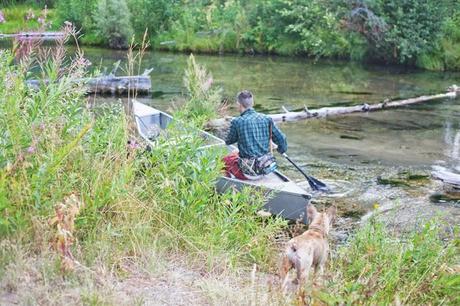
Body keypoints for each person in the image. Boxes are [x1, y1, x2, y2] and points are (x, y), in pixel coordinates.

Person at [223, 90, 287, 180]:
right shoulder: (267, 119)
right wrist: (281, 149)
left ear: (238, 104)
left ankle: (231, 184)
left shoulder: (237, 121)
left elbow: (229, 141)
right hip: (266, 166)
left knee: (224, 160)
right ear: (252, 103)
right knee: (236, 154)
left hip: (249, 171)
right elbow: (282, 139)